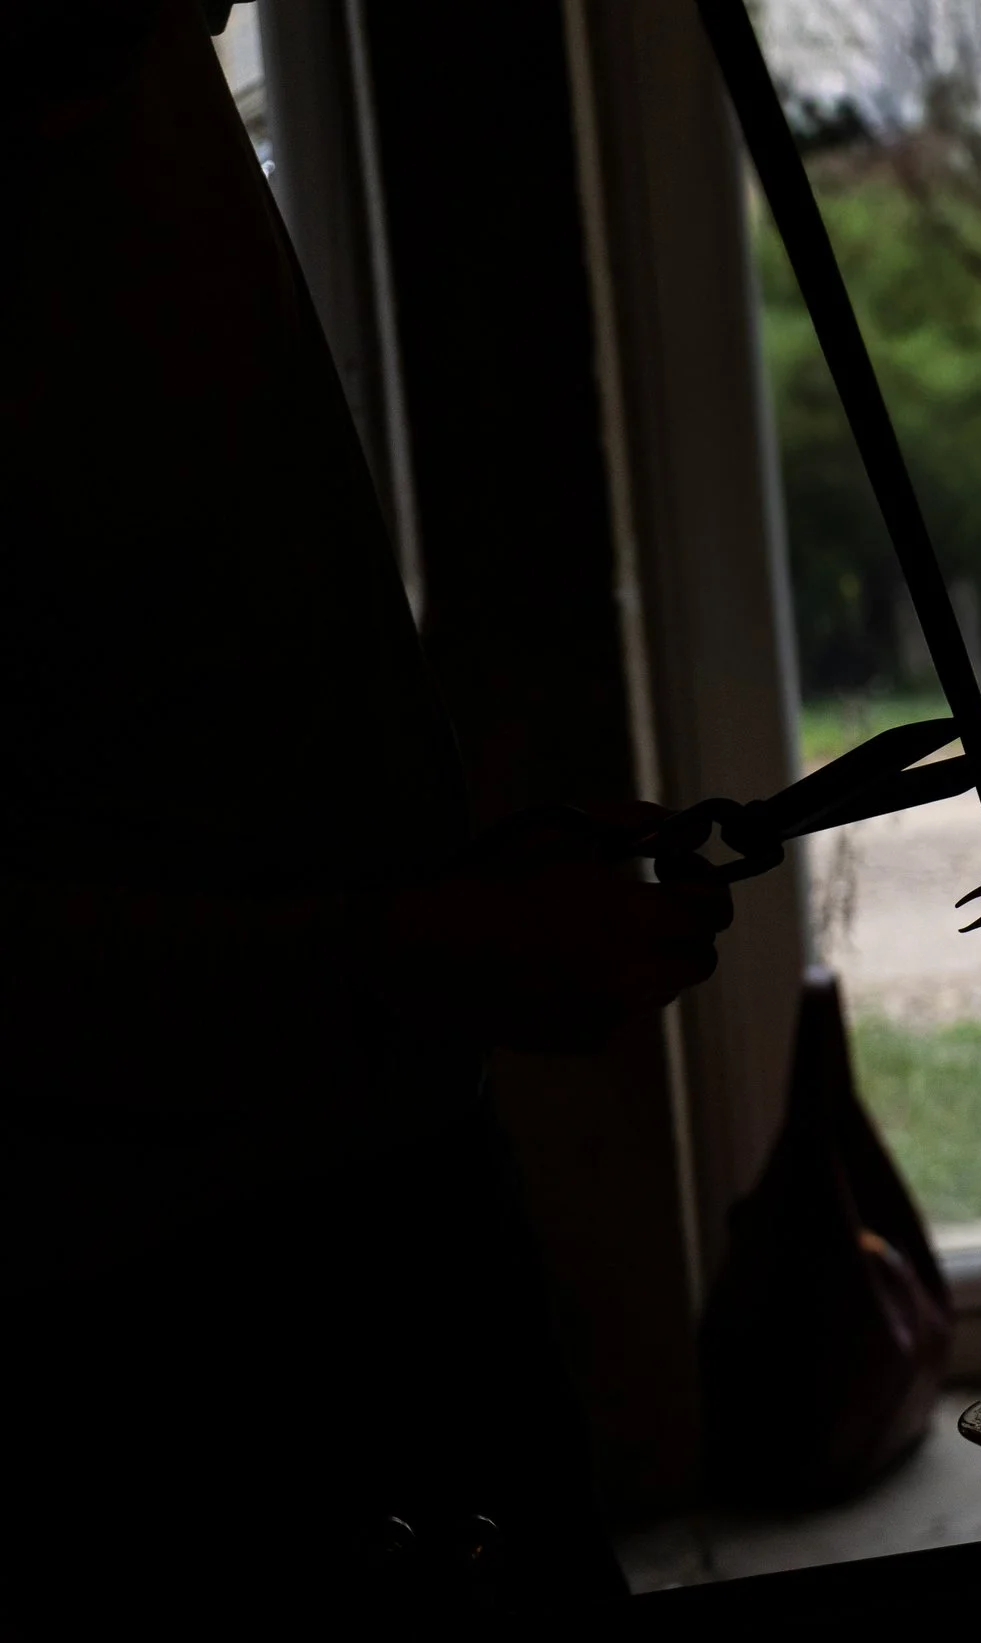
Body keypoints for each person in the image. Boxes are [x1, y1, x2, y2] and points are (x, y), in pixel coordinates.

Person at [1, 1, 731, 1624]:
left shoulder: (128, 108)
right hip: (141, 1307)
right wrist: (407, 957)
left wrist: (440, 906)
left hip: (392, 1188)